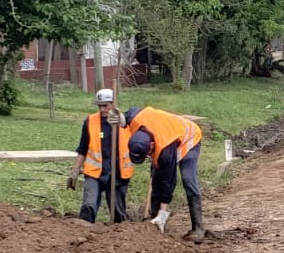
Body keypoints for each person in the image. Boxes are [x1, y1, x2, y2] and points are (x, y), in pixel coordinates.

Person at [124, 105, 205, 241]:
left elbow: (168, 182)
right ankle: (155, 226)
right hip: (169, 133)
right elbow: (129, 113)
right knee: (156, 178)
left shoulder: (165, 152)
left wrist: (163, 212)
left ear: (150, 146)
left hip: (189, 138)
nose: (145, 159)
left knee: (187, 179)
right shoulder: (135, 119)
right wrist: (118, 118)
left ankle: (198, 228)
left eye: (145, 156)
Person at [69, 89, 133, 223]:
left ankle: (119, 239)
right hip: (95, 173)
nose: (102, 109)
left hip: (118, 174)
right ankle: (85, 233)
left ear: (113, 103)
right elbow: (83, 148)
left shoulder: (126, 122)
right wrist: (75, 170)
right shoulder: (90, 121)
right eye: (100, 106)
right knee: (88, 205)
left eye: (106, 105)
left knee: (118, 215)